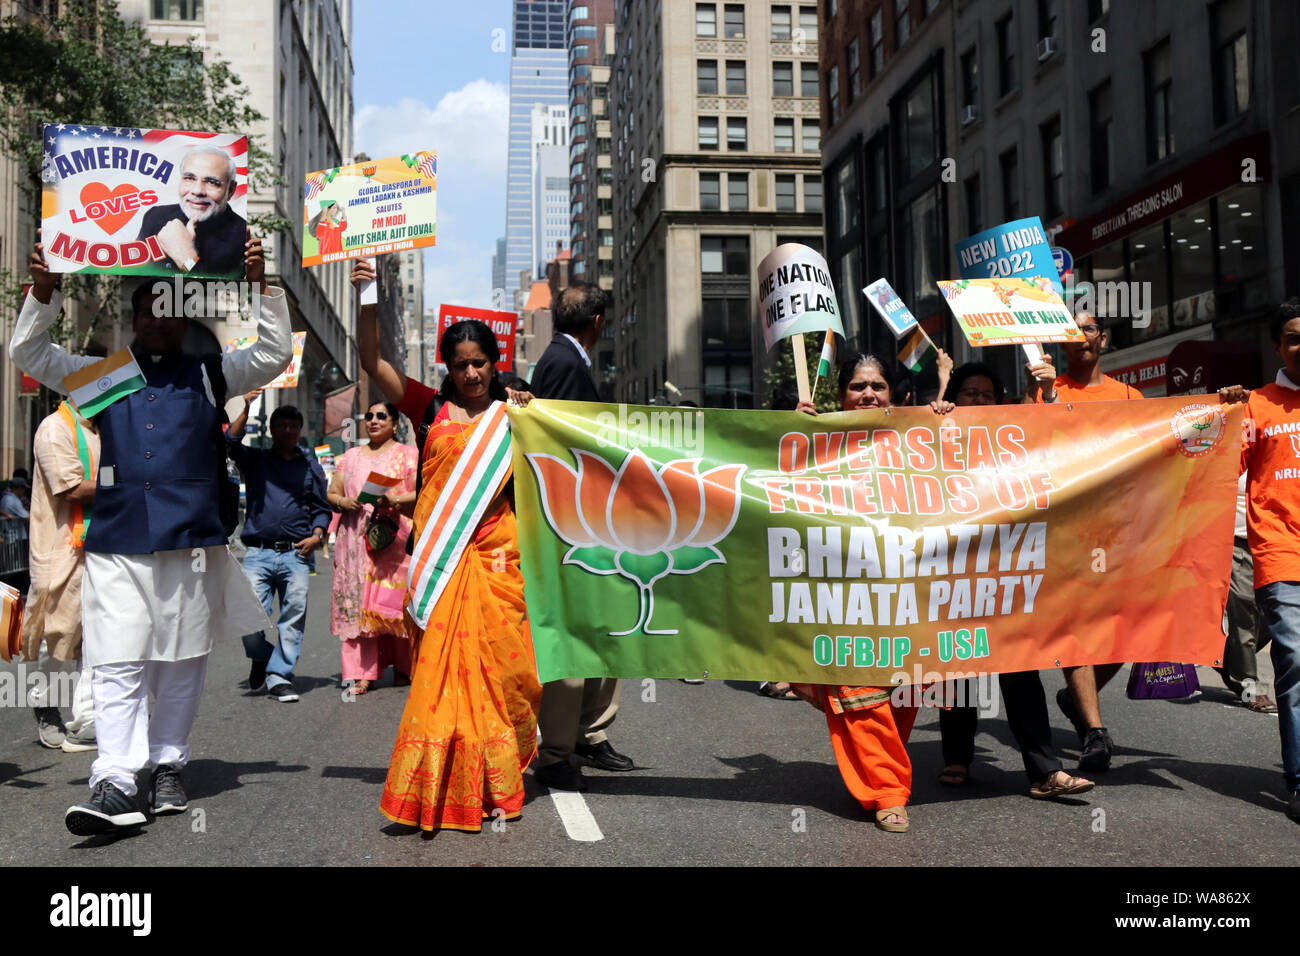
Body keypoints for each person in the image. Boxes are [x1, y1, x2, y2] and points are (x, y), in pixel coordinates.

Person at [10, 231, 289, 836]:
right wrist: (44, 291)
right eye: (147, 309)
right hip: (115, 545)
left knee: (181, 663)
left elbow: (272, 355)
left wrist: (261, 287)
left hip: (189, 546)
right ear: (135, 318)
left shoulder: (211, 375)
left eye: (169, 308)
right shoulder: (105, 375)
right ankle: (113, 778)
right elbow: (30, 355)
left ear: (183, 315)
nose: (158, 319)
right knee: (116, 661)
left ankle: (167, 765)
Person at [351, 257, 541, 831]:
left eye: (481, 363)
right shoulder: (429, 408)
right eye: (461, 366)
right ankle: (438, 784)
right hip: (445, 563)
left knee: (505, 674)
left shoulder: (517, 412)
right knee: (444, 678)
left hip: (500, 560)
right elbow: (372, 362)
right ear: (447, 368)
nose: (472, 375)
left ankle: (491, 776)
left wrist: (530, 412)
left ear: (495, 362)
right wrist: (364, 293)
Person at [790, 352, 953, 832]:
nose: (867, 394)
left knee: (899, 692)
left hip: (906, 596)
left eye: (878, 386)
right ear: (841, 394)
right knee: (861, 690)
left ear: (895, 394)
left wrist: (941, 418)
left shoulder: (917, 440)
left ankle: (882, 770)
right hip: (842, 596)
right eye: (858, 386)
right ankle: (887, 791)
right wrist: (787, 432)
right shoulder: (815, 441)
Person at [930, 362, 1095, 799]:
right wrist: (937, 407)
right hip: (956, 571)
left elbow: (1064, 439)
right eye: (969, 393)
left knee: (1021, 669)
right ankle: (957, 757)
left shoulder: (1015, 437)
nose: (978, 401)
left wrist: (1046, 391)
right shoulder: (935, 432)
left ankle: (1046, 771)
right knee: (957, 669)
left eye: (987, 394)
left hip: (1008, 574)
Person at [1023, 312, 1140, 772]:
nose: (1081, 338)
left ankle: (1074, 701)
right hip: (1066, 531)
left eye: (1088, 329)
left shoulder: (1129, 396)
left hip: (1119, 531)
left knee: (1131, 632)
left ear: (1103, 339)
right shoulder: (1043, 390)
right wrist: (1048, 394)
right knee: (1080, 630)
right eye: (1071, 332)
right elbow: (1030, 448)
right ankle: (1095, 732)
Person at [530, 282, 635, 791]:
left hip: (590, 522)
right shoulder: (566, 364)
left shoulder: (561, 359)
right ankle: (558, 749)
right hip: (578, 526)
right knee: (579, 637)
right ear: (598, 323)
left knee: (603, 632)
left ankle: (588, 734)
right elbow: (574, 451)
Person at [1219, 298, 1300, 823]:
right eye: (1294, 337)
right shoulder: (1255, 406)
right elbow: (1209, 462)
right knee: (1296, 660)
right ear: (1277, 345)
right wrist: (1222, 415)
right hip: (1280, 551)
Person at [227, 393, 332, 703]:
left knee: (293, 617)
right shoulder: (257, 460)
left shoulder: (309, 466)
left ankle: (279, 676)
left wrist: (317, 535)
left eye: (293, 426)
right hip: (257, 553)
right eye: (281, 426)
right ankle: (263, 656)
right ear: (272, 430)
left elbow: (322, 508)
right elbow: (230, 443)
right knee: (246, 619)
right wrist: (245, 408)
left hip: (296, 554)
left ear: (299, 430)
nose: (287, 431)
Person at [21, 402, 98, 753]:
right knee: (55, 631)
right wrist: (129, 481)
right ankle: (44, 704)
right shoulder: (54, 428)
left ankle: (86, 720)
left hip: (103, 548)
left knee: (97, 635)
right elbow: (70, 490)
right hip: (60, 548)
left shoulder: (104, 428)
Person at [326, 400, 417, 695]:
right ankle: (362, 674)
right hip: (354, 538)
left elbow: (421, 491)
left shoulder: (408, 455)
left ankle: (404, 667)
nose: (374, 421)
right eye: (369, 416)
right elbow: (333, 492)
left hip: (392, 539)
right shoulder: (350, 457)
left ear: (394, 424)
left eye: (381, 416)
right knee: (358, 606)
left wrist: (394, 501)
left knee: (394, 605)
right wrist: (344, 502)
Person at [137, 145, 247, 278]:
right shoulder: (155, 217)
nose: (197, 191)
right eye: (189, 178)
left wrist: (186, 258)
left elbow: (223, 295)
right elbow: (135, 273)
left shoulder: (243, 236)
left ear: (231, 190)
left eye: (212, 182)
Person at [1218, 474, 1276, 713]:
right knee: (1244, 608)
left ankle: (1228, 657)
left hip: (1276, 541)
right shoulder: (1229, 445)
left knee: (1278, 614)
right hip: (1236, 540)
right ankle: (1249, 685)